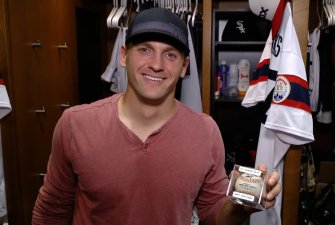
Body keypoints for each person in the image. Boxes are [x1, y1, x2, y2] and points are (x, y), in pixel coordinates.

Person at [32, 7, 281, 225]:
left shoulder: (205, 132)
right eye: (145, 49)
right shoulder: (76, 125)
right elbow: (50, 212)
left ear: (184, 67)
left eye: (170, 54)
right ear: (123, 56)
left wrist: (242, 205)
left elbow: (213, 213)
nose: (156, 64)